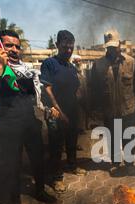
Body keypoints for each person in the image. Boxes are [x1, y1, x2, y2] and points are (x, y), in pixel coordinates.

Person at [0, 30, 56, 204]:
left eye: (17, 46)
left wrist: (47, 109)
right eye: (9, 45)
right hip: (9, 127)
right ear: (0, 48)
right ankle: (15, 200)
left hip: (30, 123)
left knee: (38, 160)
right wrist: (0, 66)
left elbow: (37, 97)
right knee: (12, 165)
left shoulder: (28, 70)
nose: (14, 49)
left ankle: (39, 191)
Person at [41, 30, 87, 194]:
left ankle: (72, 165)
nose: (68, 50)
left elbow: (75, 89)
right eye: (65, 46)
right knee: (56, 146)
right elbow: (47, 89)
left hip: (72, 110)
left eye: (71, 47)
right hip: (56, 112)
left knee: (72, 141)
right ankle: (56, 178)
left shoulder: (71, 67)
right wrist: (60, 112)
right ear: (57, 45)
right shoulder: (49, 63)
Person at [91, 30, 135, 173]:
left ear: (119, 44)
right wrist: (97, 110)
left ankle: (129, 164)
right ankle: (115, 162)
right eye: (109, 47)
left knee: (128, 137)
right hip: (109, 109)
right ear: (106, 46)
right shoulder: (98, 65)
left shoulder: (131, 61)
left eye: (114, 46)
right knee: (112, 138)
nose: (112, 50)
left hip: (128, 109)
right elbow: (95, 89)